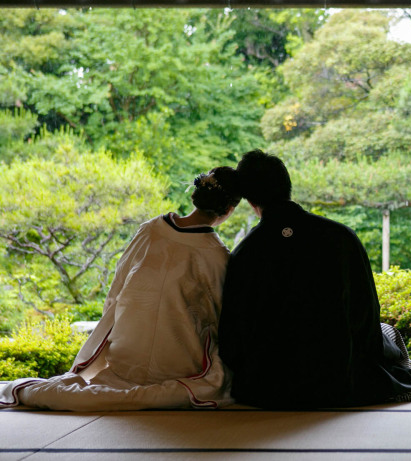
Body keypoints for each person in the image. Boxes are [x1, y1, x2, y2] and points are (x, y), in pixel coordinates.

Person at [0, 167, 241, 411]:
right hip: (178, 363)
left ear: (196, 195)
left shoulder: (151, 229)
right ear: (229, 210)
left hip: (127, 352)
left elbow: (119, 285)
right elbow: (221, 315)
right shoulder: (216, 254)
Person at [218, 150, 411, 408]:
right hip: (342, 381)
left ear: (250, 199)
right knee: (387, 333)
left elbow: (232, 335)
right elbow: (366, 315)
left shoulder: (246, 252)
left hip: (267, 388)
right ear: (288, 187)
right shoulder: (341, 237)